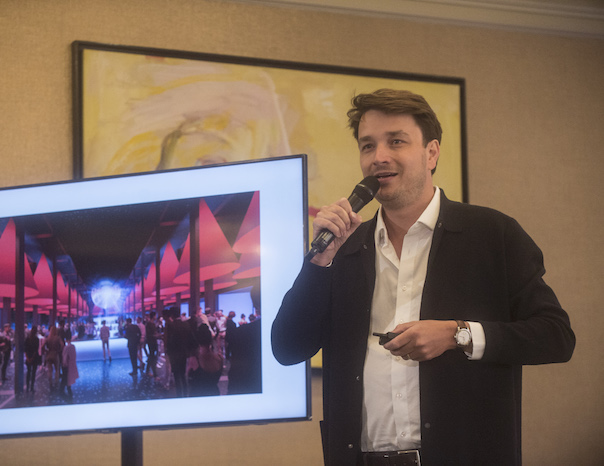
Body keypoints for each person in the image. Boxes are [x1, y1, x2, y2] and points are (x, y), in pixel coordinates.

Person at [271, 89, 576, 466]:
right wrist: (318, 262)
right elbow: (287, 348)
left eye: (396, 141)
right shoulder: (343, 250)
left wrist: (457, 334)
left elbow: (556, 337)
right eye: (368, 146)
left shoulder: (492, 234)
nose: (378, 156)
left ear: (431, 153)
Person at [187, 323, 223, 397]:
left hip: (198, 395)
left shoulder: (194, 360)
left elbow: (188, 379)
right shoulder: (220, 358)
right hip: (214, 394)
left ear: (197, 340)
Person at [43, 325, 63, 391]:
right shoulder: (58, 338)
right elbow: (62, 345)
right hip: (55, 354)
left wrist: (46, 350)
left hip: (49, 354)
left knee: (50, 370)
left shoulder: (47, 338)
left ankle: (50, 383)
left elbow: (42, 346)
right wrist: (59, 350)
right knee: (57, 369)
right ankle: (56, 383)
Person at [61, 332, 79, 398]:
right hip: (72, 363)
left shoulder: (66, 347)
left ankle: (63, 390)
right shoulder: (73, 346)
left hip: (67, 365)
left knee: (66, 377)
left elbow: (65, 357)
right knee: (70, 377)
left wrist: (64, 364)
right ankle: (68, 388)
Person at [24, 325, 41, 393]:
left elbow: (25, 349)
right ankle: (32, 387)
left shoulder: (27, 339)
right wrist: (32, 358)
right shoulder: (36, 339)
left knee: (28, 372)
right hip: (35, 358)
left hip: (28, 356)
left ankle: (27, 387)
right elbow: (36, 350)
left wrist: (27, 358)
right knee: (33, 373)